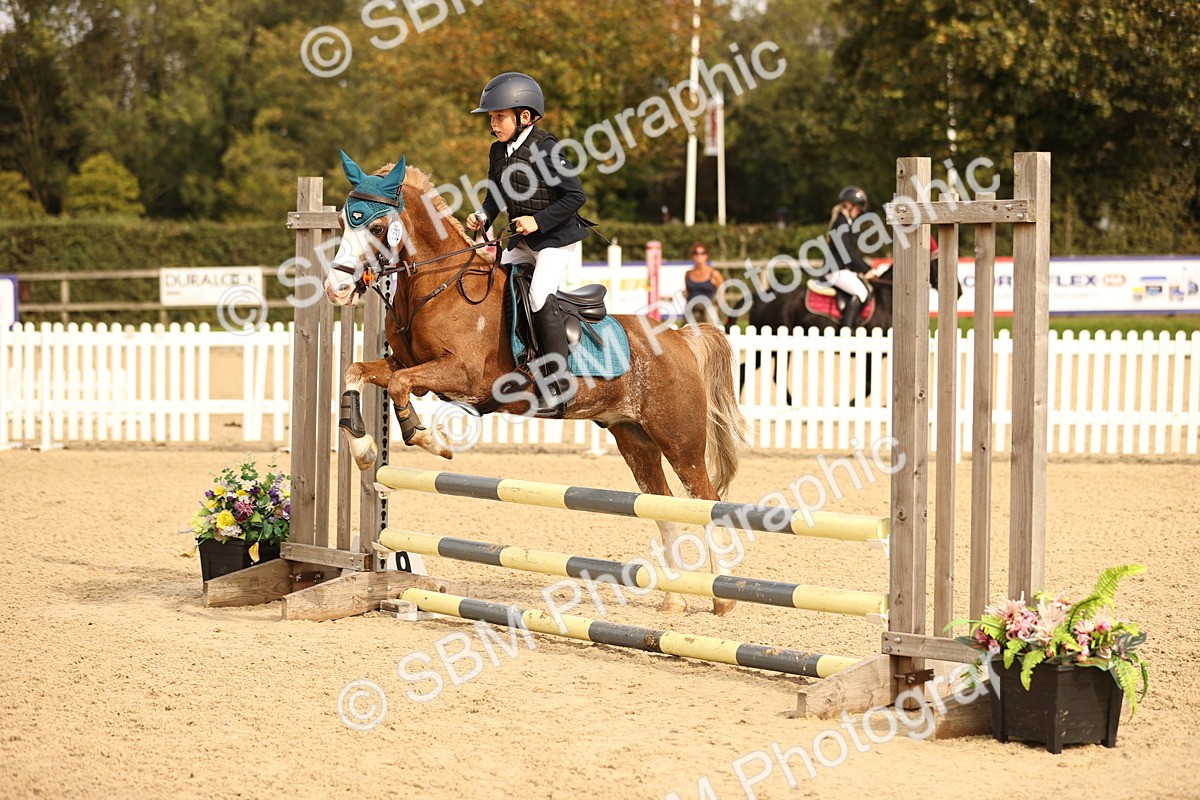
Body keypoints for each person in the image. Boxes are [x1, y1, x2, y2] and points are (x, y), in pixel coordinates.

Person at [464, 72, 591, 413]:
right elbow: (496, 194)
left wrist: (538, 220)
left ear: (524, 116)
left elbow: (575, 196)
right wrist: (483, 216)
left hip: (555, 239)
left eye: (499, 116)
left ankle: (560, 382)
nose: (493, 124)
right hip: (523, 240)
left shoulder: (547, 148)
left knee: (537, 295)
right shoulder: (498, 151)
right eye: (491, 118)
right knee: (489, 281)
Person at [823, 185, 872, 330]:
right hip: (835, 270)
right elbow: (847, 252)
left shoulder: (844, 222)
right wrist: (866, 269)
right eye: (858, 208)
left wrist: (859, 270)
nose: (859, 212)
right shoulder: (841, 223)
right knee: (862, 292)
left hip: (841, 269)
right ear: (849, 205)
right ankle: (846, 330)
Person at [683, 242, 724, 324]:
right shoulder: (688, 274)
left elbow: (721, 295)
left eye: (702, 253)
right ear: (692, 256)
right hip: (692, 309)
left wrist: (721, 314)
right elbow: (688, 293)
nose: (699, 256)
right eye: (696, 253)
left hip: (709, 310)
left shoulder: (714, 274)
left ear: (706, 255)